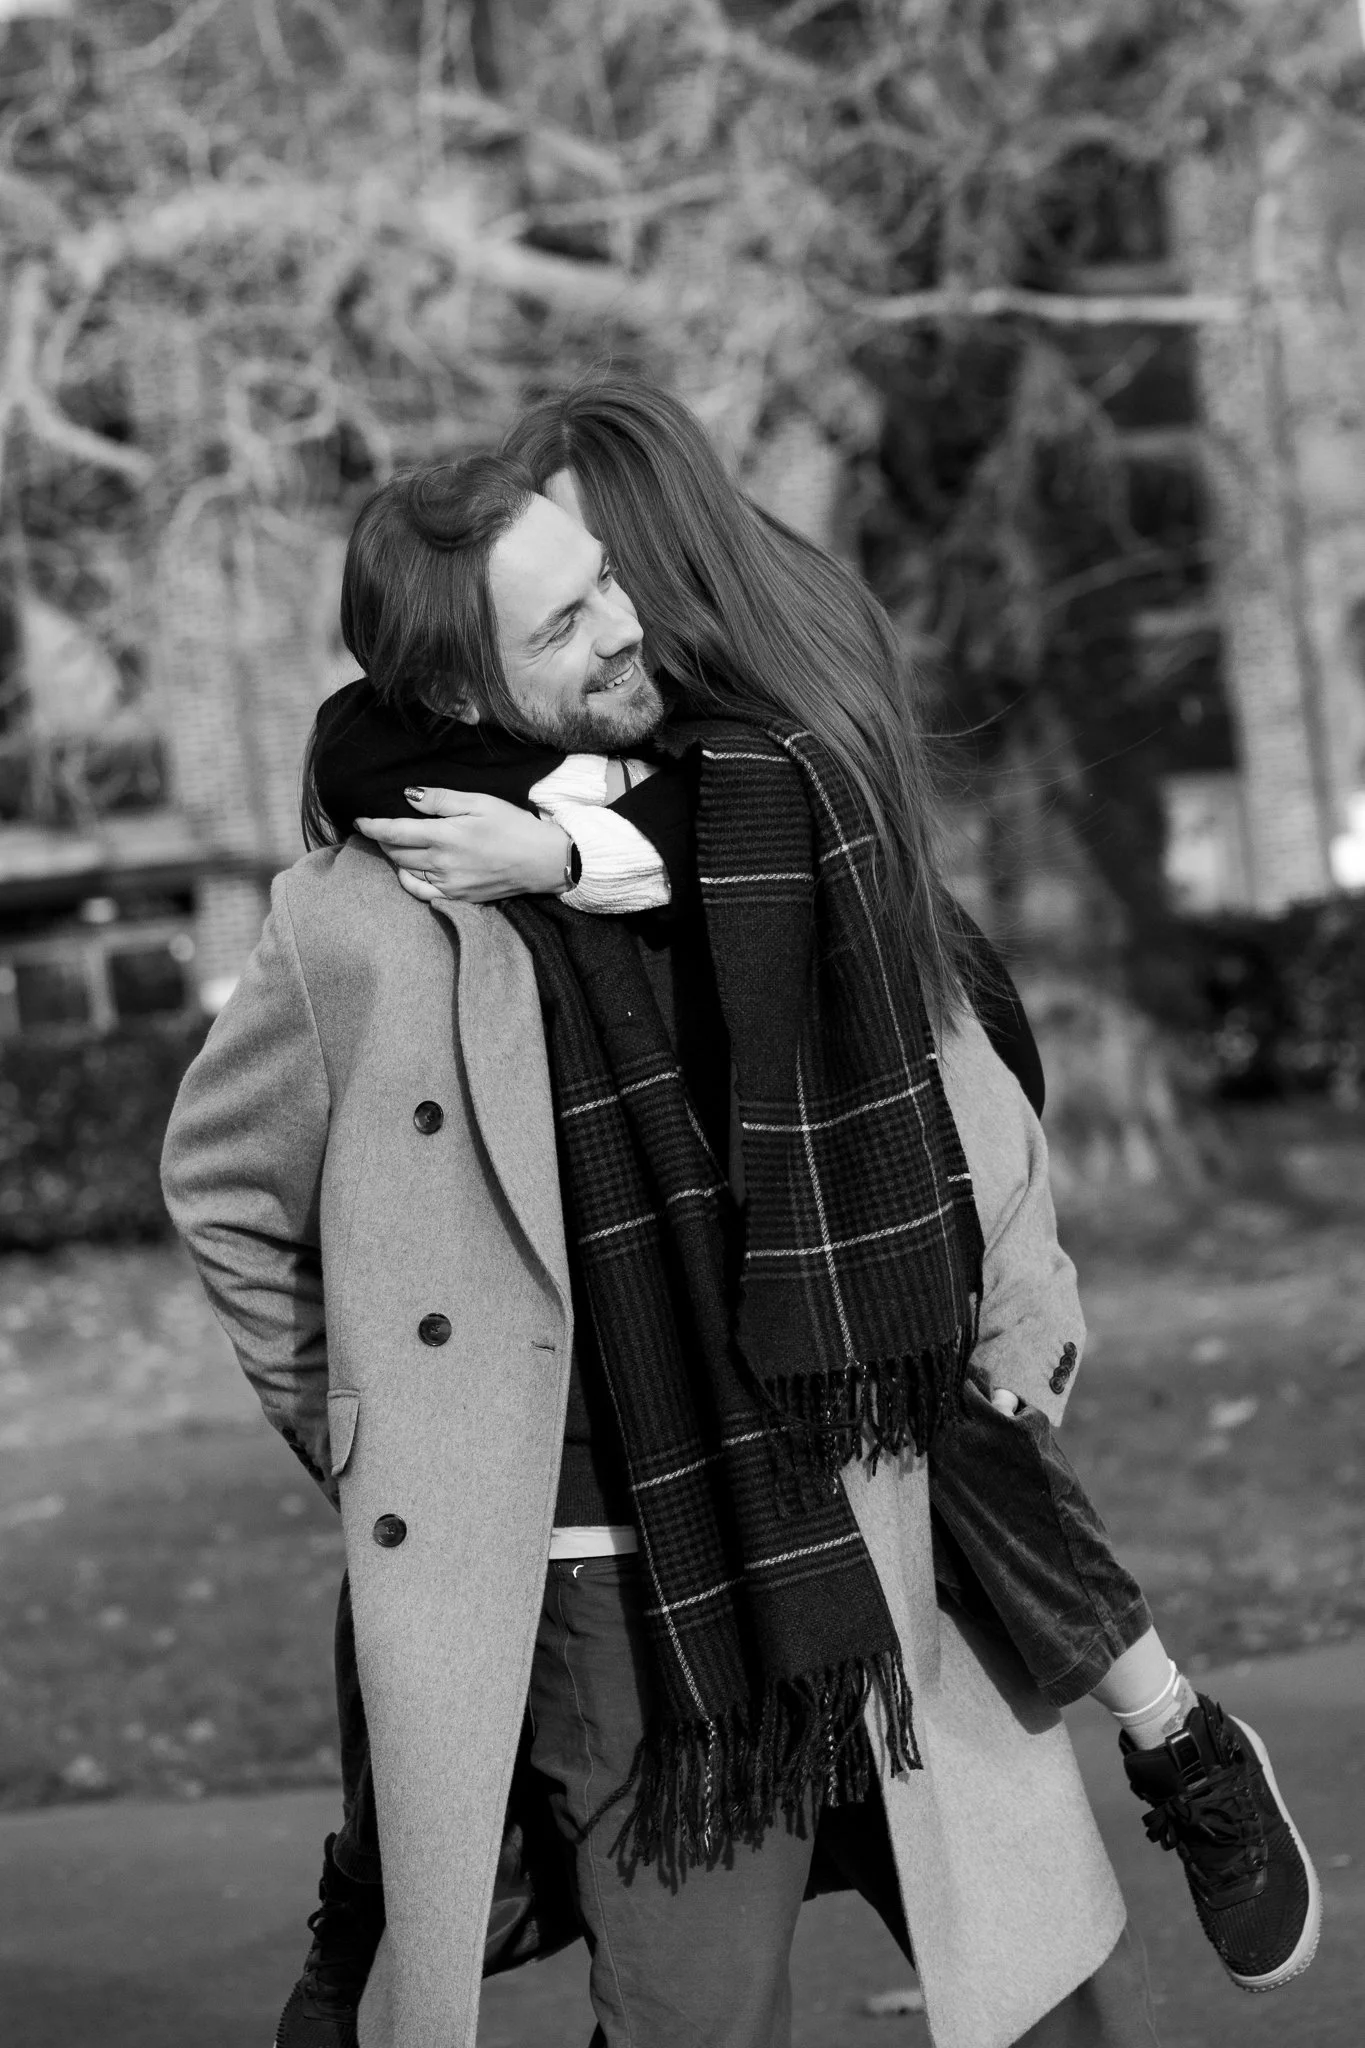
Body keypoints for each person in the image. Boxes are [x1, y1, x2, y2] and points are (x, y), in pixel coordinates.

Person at [157, 400, 1300, 2048]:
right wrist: (375, 1425)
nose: (621, 630)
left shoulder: (762, 802)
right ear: (462, 692)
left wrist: (1022, 1307)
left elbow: (953, 1064)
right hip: (617, 1573)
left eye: (609, 582)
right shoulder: (356, 918)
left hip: (864, 1491)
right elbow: (221, 1186)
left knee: (1040, 2002)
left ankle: (1182, 1738)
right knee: (700, 2016)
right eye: (564, 622)